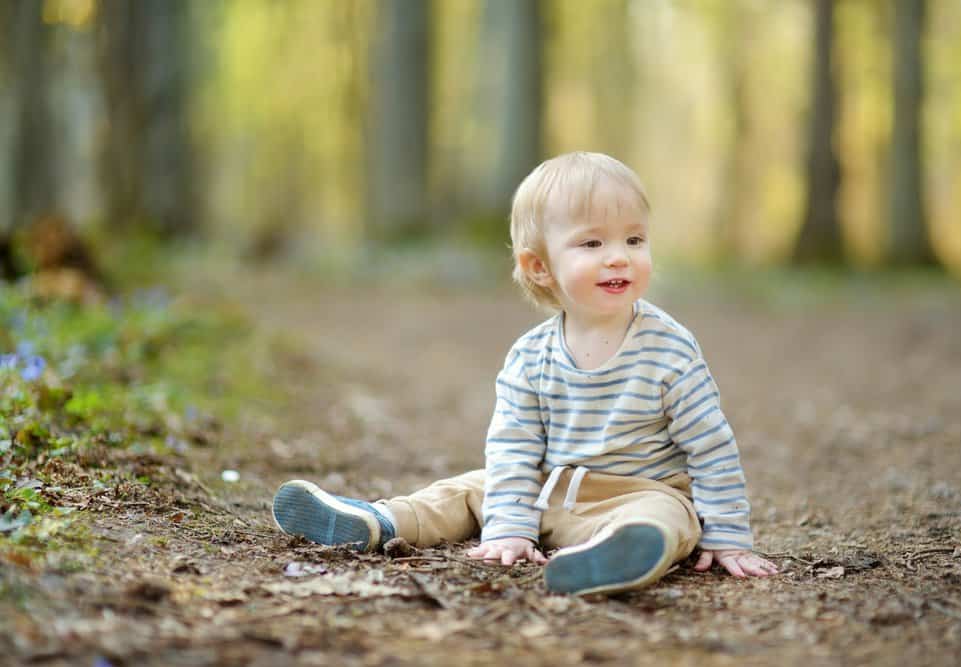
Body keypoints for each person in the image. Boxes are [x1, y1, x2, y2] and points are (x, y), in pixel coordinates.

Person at [272, 152, 778, 594]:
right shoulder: (529, 358)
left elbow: (710, 447)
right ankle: (377, 521)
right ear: (540, 267)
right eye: (592, 244)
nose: (619, 256)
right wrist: (510, 527)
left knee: (667, 518)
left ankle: (614, 556)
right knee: (474, 487)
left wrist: (729, 535)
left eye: (634, 239)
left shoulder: (669, 349)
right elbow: (514, 447)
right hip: (548, 490)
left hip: (642, 493)